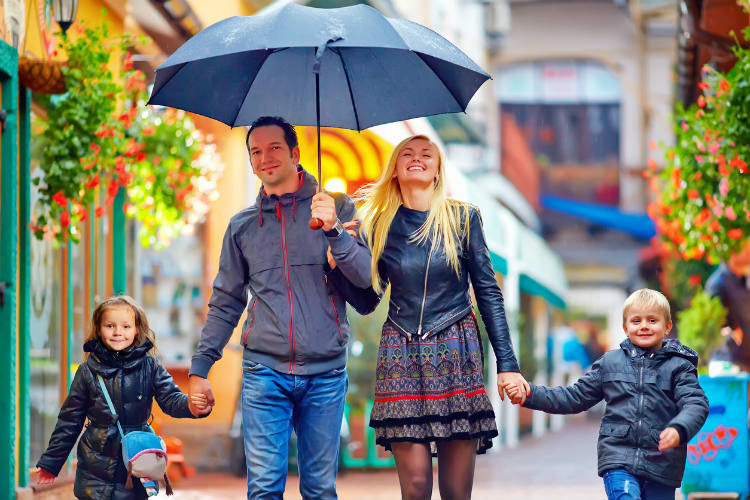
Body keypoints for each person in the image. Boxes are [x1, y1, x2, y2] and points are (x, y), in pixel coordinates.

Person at [329, 135, 528, 500]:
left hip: (456, 351)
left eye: (426, 154)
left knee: (455, 492)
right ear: (394, 170)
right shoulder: (378, 225)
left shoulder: (463, 218)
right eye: (407, 153)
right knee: (417, 487)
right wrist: (337, 263)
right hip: (400, 355)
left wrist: (508, 364)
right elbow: (367, 300)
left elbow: (488, 293)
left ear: (438, 171)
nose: (416, 158)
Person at [188, 116, 372, 500]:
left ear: (295, 153)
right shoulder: (242, 227)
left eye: (274, 148)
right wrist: (201, 368)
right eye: (256, 151)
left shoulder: (338, 209)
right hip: (264, 372)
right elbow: (226, 302)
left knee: (320, 489)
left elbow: (365, 278)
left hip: (325, 373)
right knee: (264, 490)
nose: (264, 158)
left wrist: (333, 229)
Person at [504, 289, 709, 500]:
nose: (644, 326)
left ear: (667, 327)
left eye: (652, 320)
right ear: (625, 327)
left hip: (663, 463)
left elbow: (696, 403)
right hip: (618, 458)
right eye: (636, 320)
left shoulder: (678, 367)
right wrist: (529, 394)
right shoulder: (609, 363)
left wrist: (679, 428)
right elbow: (574, 397)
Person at [35, 296, 210, 500]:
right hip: (95, 466)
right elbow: (69, 421)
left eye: (126, 326)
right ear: (99, 329)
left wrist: (191, 405)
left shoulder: (150, 366)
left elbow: (171, 398)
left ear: (137, 329)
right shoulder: (87, 372)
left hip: (137, 462)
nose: (118, 332)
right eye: (110, 326)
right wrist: (51, 462)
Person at [705, 243, 750, 373]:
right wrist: (734, 329)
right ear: (732, 254)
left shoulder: (744, 280)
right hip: (730, 365)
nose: (748, 252)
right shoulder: (717, 284)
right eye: (745, 249)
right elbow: (715, 326)